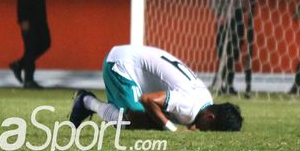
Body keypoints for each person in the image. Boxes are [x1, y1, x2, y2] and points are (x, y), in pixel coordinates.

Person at [69, 45, 243, 132]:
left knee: (156, 118)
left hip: (131, 58)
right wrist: (171, 129)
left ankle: (87, 102)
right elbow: (147, 99)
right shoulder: (190, 106)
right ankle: (85, 101)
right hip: (120, 63)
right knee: (132, 120)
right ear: (210, 116)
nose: (202, 132)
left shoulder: (206, 99)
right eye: (208, 130)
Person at [9, 0, 51, 89]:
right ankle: (29, 80)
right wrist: (24, 18)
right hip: (29, 16)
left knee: (45, 42)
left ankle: (18, 64)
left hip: (40, 15)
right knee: (30, 47)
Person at [210, 0, 250, 95]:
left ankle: (220, 82)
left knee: (223, 52)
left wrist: (218, 13)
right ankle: (228, 83)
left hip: (222, 16)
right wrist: (245, 8)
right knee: (234, 51)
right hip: (235, 16)